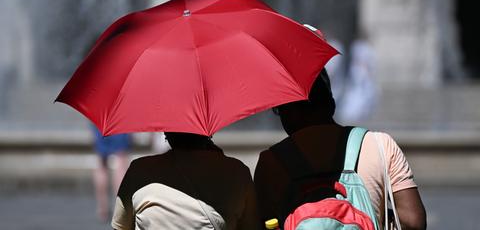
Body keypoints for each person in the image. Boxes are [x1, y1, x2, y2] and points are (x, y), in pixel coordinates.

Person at [254, 69, 426, 230]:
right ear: (331, 103)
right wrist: (376, 215)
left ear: (285, 114)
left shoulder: (271, 162)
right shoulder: (379, 144)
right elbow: (413, 221)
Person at [111, 132, 262, 230]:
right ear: (208, 132)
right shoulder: (236, 171)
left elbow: (120, 227)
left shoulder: (139, 170)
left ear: (166, 134)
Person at [91, 125, 131, 222]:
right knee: (120, 159)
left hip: (101, 115)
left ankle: (102, 208)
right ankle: (121, 208)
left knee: (101, 161)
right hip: (119, 116)